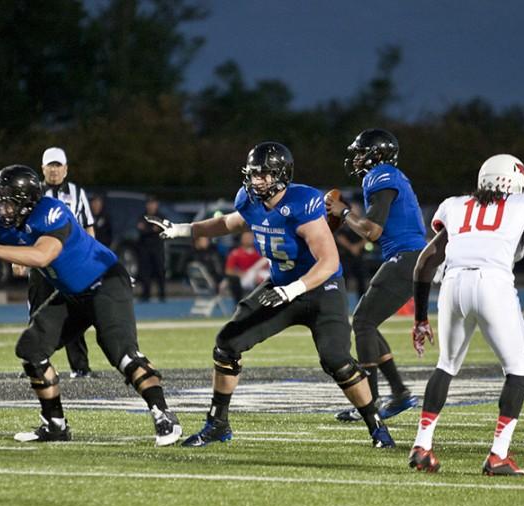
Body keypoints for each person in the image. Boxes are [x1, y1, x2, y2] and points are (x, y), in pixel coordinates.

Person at [146, 141, 395, 449]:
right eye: (253, 174)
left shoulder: (302, 203)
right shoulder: (250, 202)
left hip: (321, 290)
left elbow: (329, 262)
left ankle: (376, 426)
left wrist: (291, 290)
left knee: (337, 360)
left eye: (263, 175)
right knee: (226, 345)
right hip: (280, 288)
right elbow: (228, 223)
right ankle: (217, 424)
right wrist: (184, 230)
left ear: (281, 175)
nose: (256, 180)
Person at [0, 164, 182, 446]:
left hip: (105, 281)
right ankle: (55, 424)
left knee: (122, 354)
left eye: (7, 203)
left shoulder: (51, 211)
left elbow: (43, 255)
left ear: (27, 203)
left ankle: (163, 414)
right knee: (31, 350)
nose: (1, 209)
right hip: (72, 292)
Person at [409, 154, 524, 476]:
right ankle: (498, 455)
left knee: (446, 365)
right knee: (519, 367)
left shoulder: (455, 204)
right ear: (516, 181)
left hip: (452, 285)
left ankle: (422, 447)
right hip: (494, 284)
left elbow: (425, 261)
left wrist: (420, 318)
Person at [328, 129, 422, 423]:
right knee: (368, 322)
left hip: (407, 257)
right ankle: (399, 392)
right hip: (409, 257)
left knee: (363, 321)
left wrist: (344, 214)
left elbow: (372, 231)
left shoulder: (381, 174)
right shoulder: (389, 175)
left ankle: (368, 400)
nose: (356, 158)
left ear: (377, 155)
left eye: (361, 152)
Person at [41, 146, 95, 378]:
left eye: (57, 165)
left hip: (71, 261)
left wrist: (92, 255)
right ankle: (38, 362)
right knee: (38, 310)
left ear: (66, 169)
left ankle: (80, 366)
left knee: (74, 309)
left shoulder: (77, 192)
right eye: (50, 165)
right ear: (42, 168)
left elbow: (88, 225)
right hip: (41, 260)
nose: (54, 170)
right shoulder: (34, 193)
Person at [333, 204, 369, 299]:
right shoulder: (343, 223)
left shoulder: (363, 223)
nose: (354, 211)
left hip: (359, 257)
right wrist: (351, 247)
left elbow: (367, 236)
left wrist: (357, 247)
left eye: (356, 210)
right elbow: (339, 236)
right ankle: (342, 303)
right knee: (344, 281)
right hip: (345, 256)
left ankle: (362, 305)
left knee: (361, 282)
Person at [136, 196, 167, 302]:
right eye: (149, 203)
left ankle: (162, 294)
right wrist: (152, 229)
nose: (151, 206)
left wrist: (147, 229)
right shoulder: (143, 216)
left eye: (153, 203)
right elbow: (141, 229)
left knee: (160, 270)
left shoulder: (160, 217)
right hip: (145, 248)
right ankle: (146, 293)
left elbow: (161, 228)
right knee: (145, 271)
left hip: (157, 247)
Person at [223, 230, 267, 302]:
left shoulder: (260, 252)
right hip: (245, 277)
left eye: (250, 237)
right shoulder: (236, 253)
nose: (249, 239)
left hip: (260, 275)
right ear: (241, 239)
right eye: (246, 237)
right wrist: (240, 273)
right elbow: (228, 271)